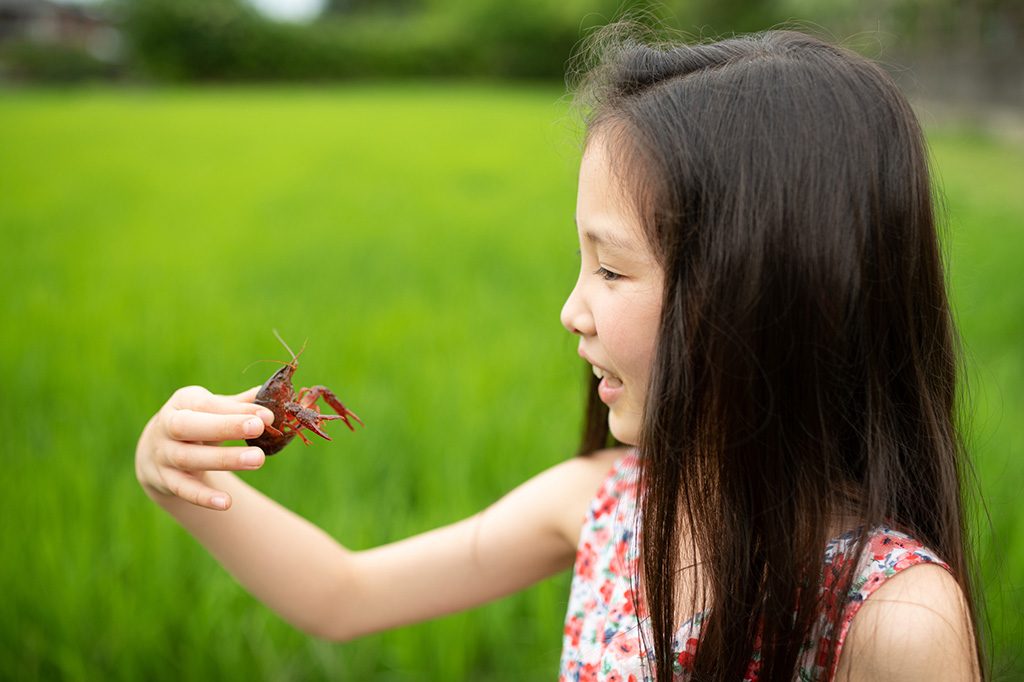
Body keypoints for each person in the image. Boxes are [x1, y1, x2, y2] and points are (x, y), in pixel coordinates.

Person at [135, 25, 984, 681]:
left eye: (612, 268)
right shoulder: (607, 504)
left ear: (763, 296)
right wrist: (178, 475)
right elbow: (344, 594)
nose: (570, 310)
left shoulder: (895, 619)